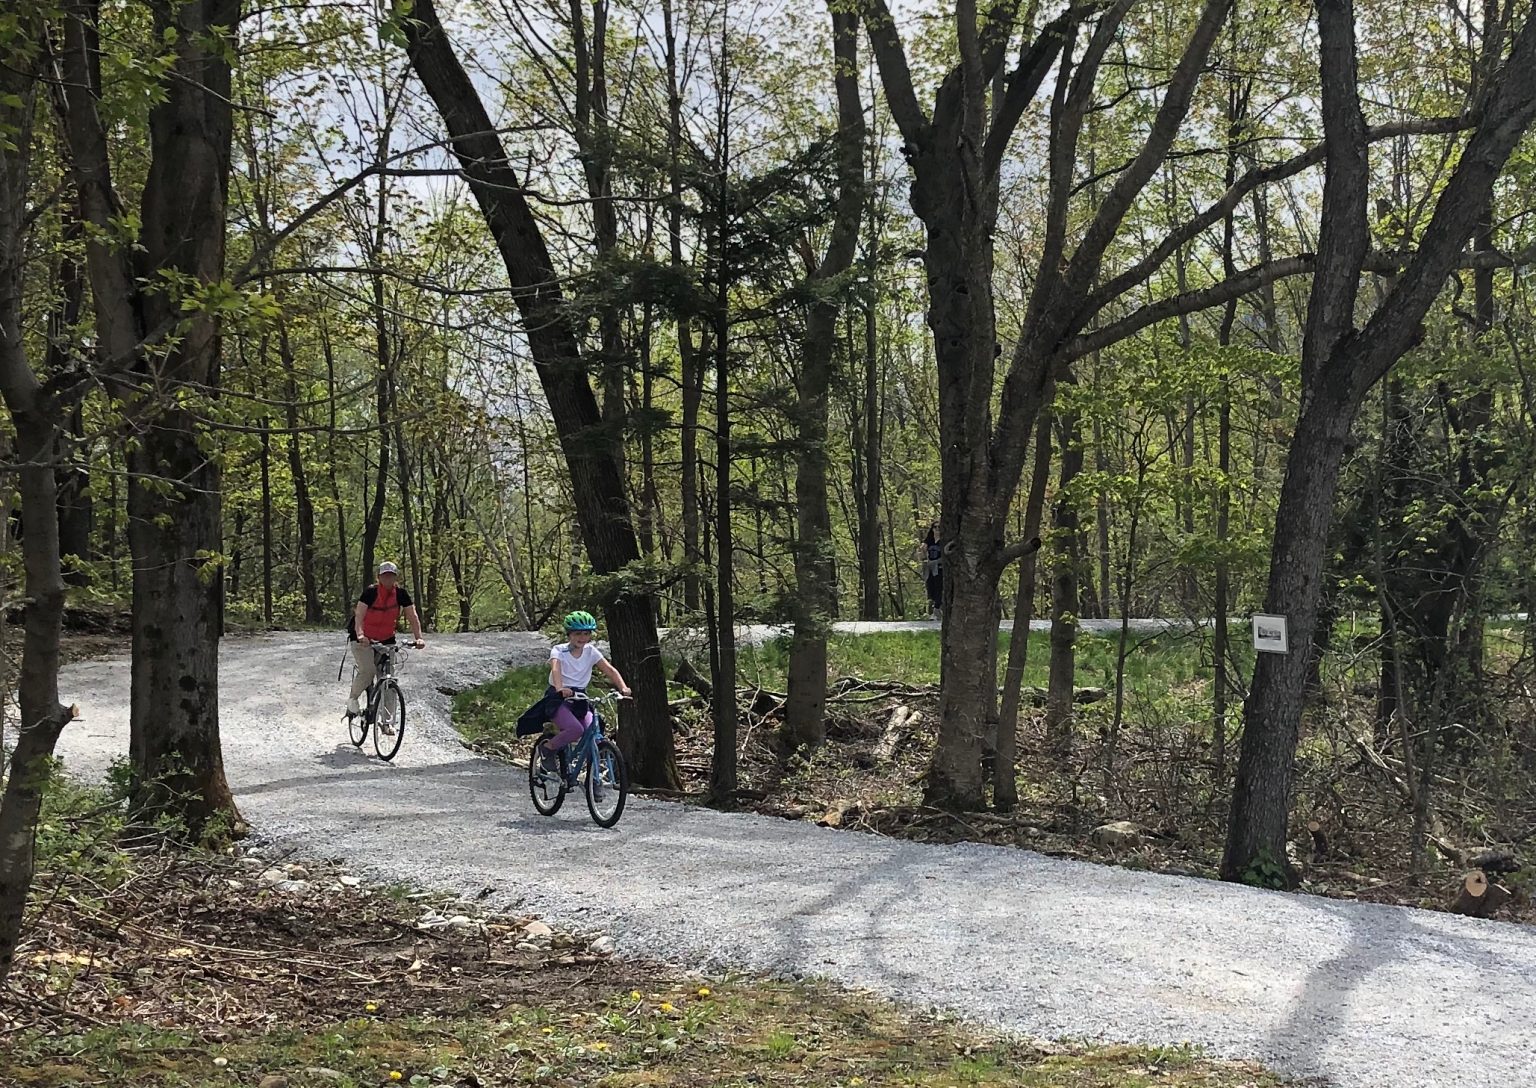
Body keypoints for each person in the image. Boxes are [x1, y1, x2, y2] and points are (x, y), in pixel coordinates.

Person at [516, 610, 630, 780]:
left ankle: (594, 779)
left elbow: (609, 670)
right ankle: (547, 749)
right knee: (575, 729)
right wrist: (561, 687)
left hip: (580, 698)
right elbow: (556, 669)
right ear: (569, 634)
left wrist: (623, 687)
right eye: (578, 634)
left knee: (594, 731)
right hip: (558, 697)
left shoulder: (591, 651)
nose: (582, 638)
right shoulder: (559, 651)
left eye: (586, 633)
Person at [346, 561, 426, 725]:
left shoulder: (401, 594)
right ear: (379, 577)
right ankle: (352, 700)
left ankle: (387, 722)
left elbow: (412, 616)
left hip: (386, 639)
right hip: (363, 639)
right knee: (368, 671)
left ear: (396, 577)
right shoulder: (371, 592)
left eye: (391, 576)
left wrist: (418, 637)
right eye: (384, 576)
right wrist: (361, 635)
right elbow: (359, 615)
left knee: (389, 680)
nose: (388, 579)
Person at [920, 527, 944, 620]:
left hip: (940, 568)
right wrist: (922, 551)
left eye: (939, 527)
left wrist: (936, 562)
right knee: (931, 589)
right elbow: (922, 554)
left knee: (939, 588)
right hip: (930, 568)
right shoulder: (929, 541)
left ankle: (936, 610)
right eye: (935, 527)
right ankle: (938, 608)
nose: (937, 529)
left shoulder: (943, 541)